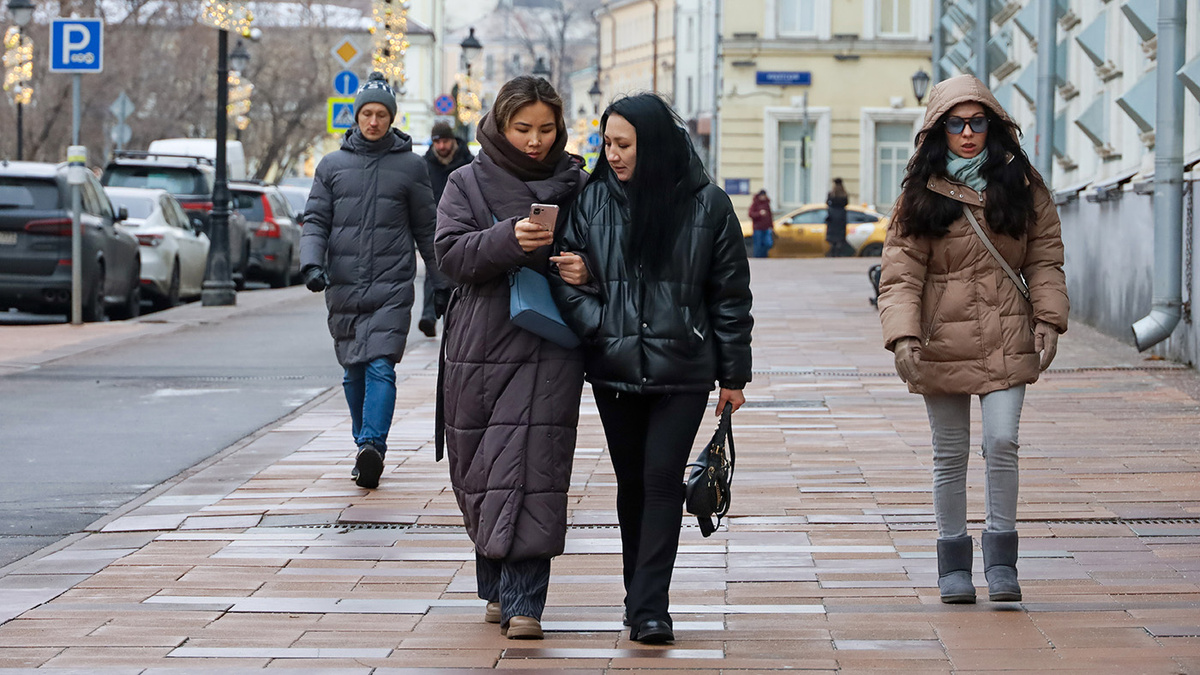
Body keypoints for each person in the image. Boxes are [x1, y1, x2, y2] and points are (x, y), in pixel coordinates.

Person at [551, 94, 754, 644]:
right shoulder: (591, 201)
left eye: (624, 145)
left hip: (684, 368)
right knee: (632, 484)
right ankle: (638, 595)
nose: (612, 155)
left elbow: (730, 297)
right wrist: (599, 323)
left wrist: (734, 377)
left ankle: (650, 609)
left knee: (662, 480)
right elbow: (565, 280)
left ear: (655, 145)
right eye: (606, 143)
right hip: (614, 369)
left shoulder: (708, 205)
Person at [877, 75, 1069, 604]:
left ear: (993, 124)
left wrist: (1048, 319)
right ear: (940, 130)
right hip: (942, 337)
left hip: (1008, 332)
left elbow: (1045, 258)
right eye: (956, 124)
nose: (967, 133)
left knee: (1002, 442)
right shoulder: (919, 193)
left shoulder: (1022, 184)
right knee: (950, 453)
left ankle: (1002, 560)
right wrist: (903, 337)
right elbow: (900, 275)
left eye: (977, 122)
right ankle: (952, 562)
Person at [435, 76, 588, 640]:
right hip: (478, 343)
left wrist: (583, 269)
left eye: (547, 129)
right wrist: (507, 240)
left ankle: (527, 601)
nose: (536, 141)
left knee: (534, 464)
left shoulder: (578, 185)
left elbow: (606, 256)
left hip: (549, 341)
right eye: (523, 128)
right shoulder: (465, 183)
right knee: (481, 464)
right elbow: (449, 255)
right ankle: (496, 585)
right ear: (501, 124)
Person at [300, 71, 443, 490]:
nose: (374, 121)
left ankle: (372, 447)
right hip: (343, 285)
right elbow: (315, 221)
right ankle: (364, 448)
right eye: (367, 113)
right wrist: (312, 265)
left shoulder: (410, 167)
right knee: (353, 371)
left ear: (391, 118)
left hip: (391, 285)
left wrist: (445, 284)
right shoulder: (331, 166)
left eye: (382, 114)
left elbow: (428, 230)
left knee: (381, 365)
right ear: (357, 116)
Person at [417, 121, 474, 337]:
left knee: (457, 271)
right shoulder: (424, 165)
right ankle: (428, 317)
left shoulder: (467, 162)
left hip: (462, 223)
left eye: (444, 141)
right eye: (437, 142)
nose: (441, 146)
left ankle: (456, 318)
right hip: (433, 224)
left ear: (453, 140)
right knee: (434, 269)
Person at [825, 178, 851, 257]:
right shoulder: (844, 194)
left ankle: (832, 252)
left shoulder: (831, 194)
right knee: (840, 236)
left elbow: (827, 203)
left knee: (832, 237)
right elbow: (846, 204)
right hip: (841, 217)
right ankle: (838, 252)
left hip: (833, 217)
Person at [748, 189, 774, 258]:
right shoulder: (755, 204)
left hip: (766, 228)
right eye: (762, 195)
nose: (763, 197)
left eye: (764, 195)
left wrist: (771, 226)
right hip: (758, 228)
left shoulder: (767, 203)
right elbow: (750, 214)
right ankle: (758, 258)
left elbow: (770, 216)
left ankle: (764, 256)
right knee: (758, 244)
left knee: (768, 243)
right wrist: (759, 213)